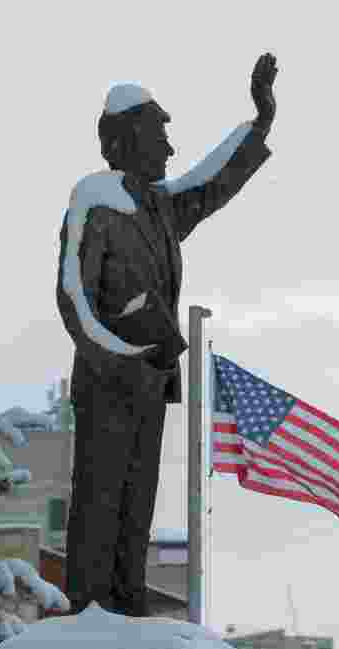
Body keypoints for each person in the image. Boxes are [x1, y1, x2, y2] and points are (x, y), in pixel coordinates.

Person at [55, 53, 278, 617]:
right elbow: (72, 298)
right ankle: (88, 609)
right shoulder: (96, 200)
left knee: (137, 504)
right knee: (99, 499)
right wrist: (117, 357)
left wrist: (261, 121)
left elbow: (211, 182)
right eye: (161, 137)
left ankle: (127, 603)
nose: (171, 151)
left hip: (151, 381)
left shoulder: (158, 207)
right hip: (110, 381)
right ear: (127, 140)